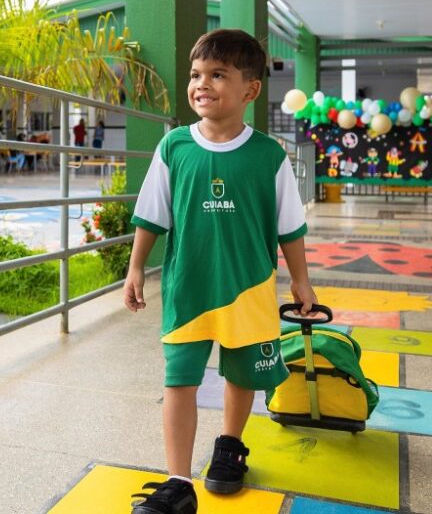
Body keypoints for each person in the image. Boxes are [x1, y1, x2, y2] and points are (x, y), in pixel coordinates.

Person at [124, 29, 317, 514]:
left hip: (248, 288)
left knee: (241, 374)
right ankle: (177, 482)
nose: (201, 84)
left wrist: (301, 280)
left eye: (217, 75)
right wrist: (135, 268)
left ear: (250, 89)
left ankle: (229, 445)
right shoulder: (174, 147)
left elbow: (289, 227)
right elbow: (152, 214)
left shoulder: (269, 155)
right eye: (195, 75)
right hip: (188, 288)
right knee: (179, 379)